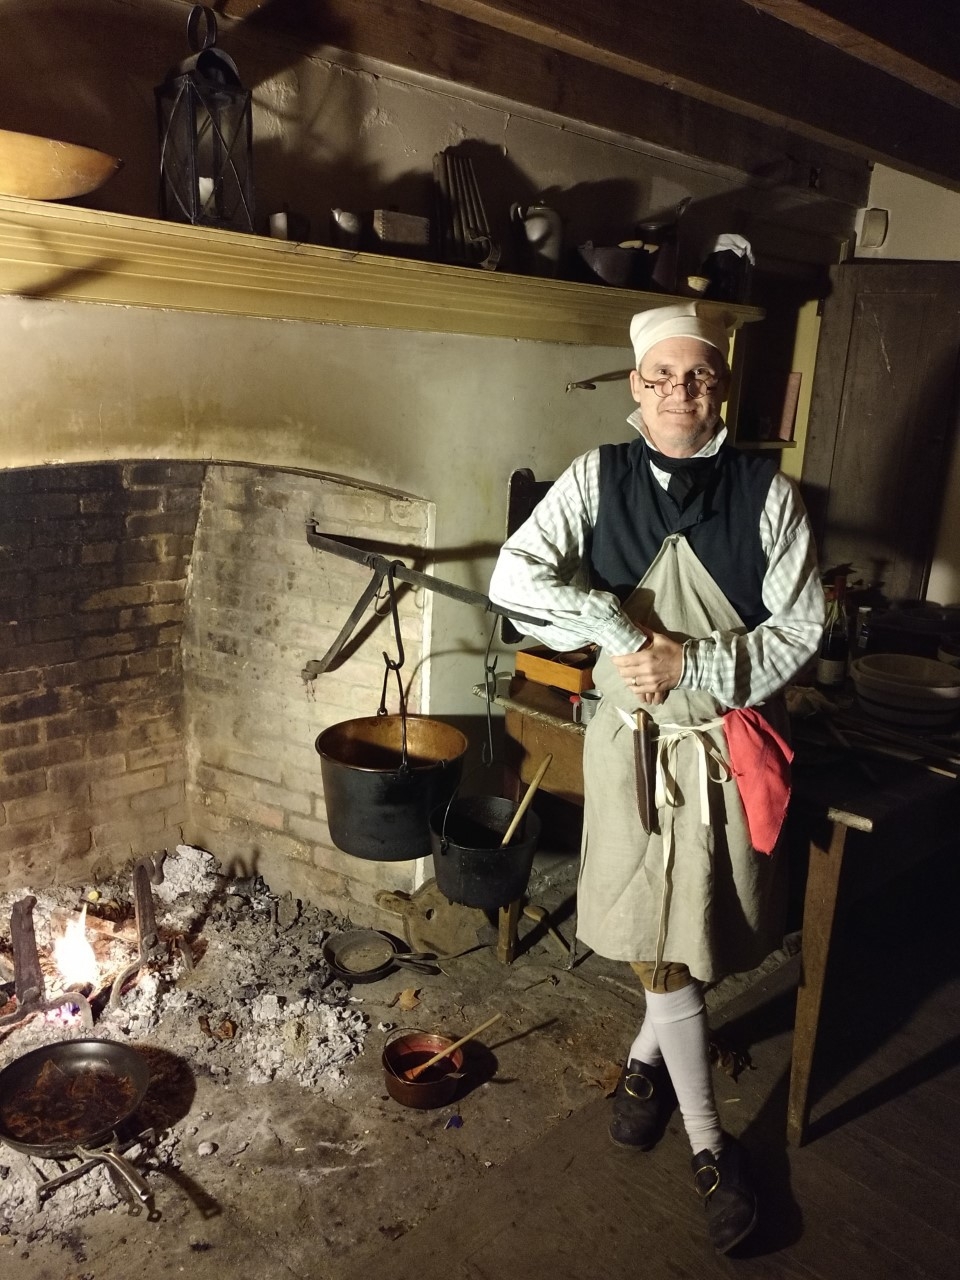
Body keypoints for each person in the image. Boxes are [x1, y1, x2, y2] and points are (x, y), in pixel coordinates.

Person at [488, 301, 824, 1253]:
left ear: (722, 390)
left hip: (721, 751)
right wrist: (621, 632)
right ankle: (711, 1147)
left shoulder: (769, 496)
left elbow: (802, 629)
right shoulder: (598, 478)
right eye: (663, 376)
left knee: (694, 932)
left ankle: (643, 1071)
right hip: (633, 749)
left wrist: (698, 668)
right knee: (656, 943)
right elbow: (516, 580)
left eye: (701, 377)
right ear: (635, 386)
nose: (682, 390)